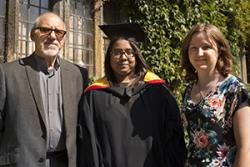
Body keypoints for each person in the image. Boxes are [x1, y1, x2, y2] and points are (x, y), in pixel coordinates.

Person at [77, 23, 187, 167]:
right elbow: (88, 144)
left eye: (129, 52)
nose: (123, 57)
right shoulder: (94, 95)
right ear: (109, 56)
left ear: (137, 56)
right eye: (117, 52)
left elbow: (174, 138)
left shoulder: (158, 91)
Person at [0, 12, 88, 167]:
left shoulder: (78, 74)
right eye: (45, 30)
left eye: (59, 32)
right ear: (32, 35)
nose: (52, 36)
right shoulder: (7, 73)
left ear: (64, 39)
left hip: (65, 162)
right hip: (22, 162)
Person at [181, 23, 250, 166]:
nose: (199, 53)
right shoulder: (188, 90)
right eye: (194, 48)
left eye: (206, 47)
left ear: (219, 50)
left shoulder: (234, 88)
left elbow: (246, 148)